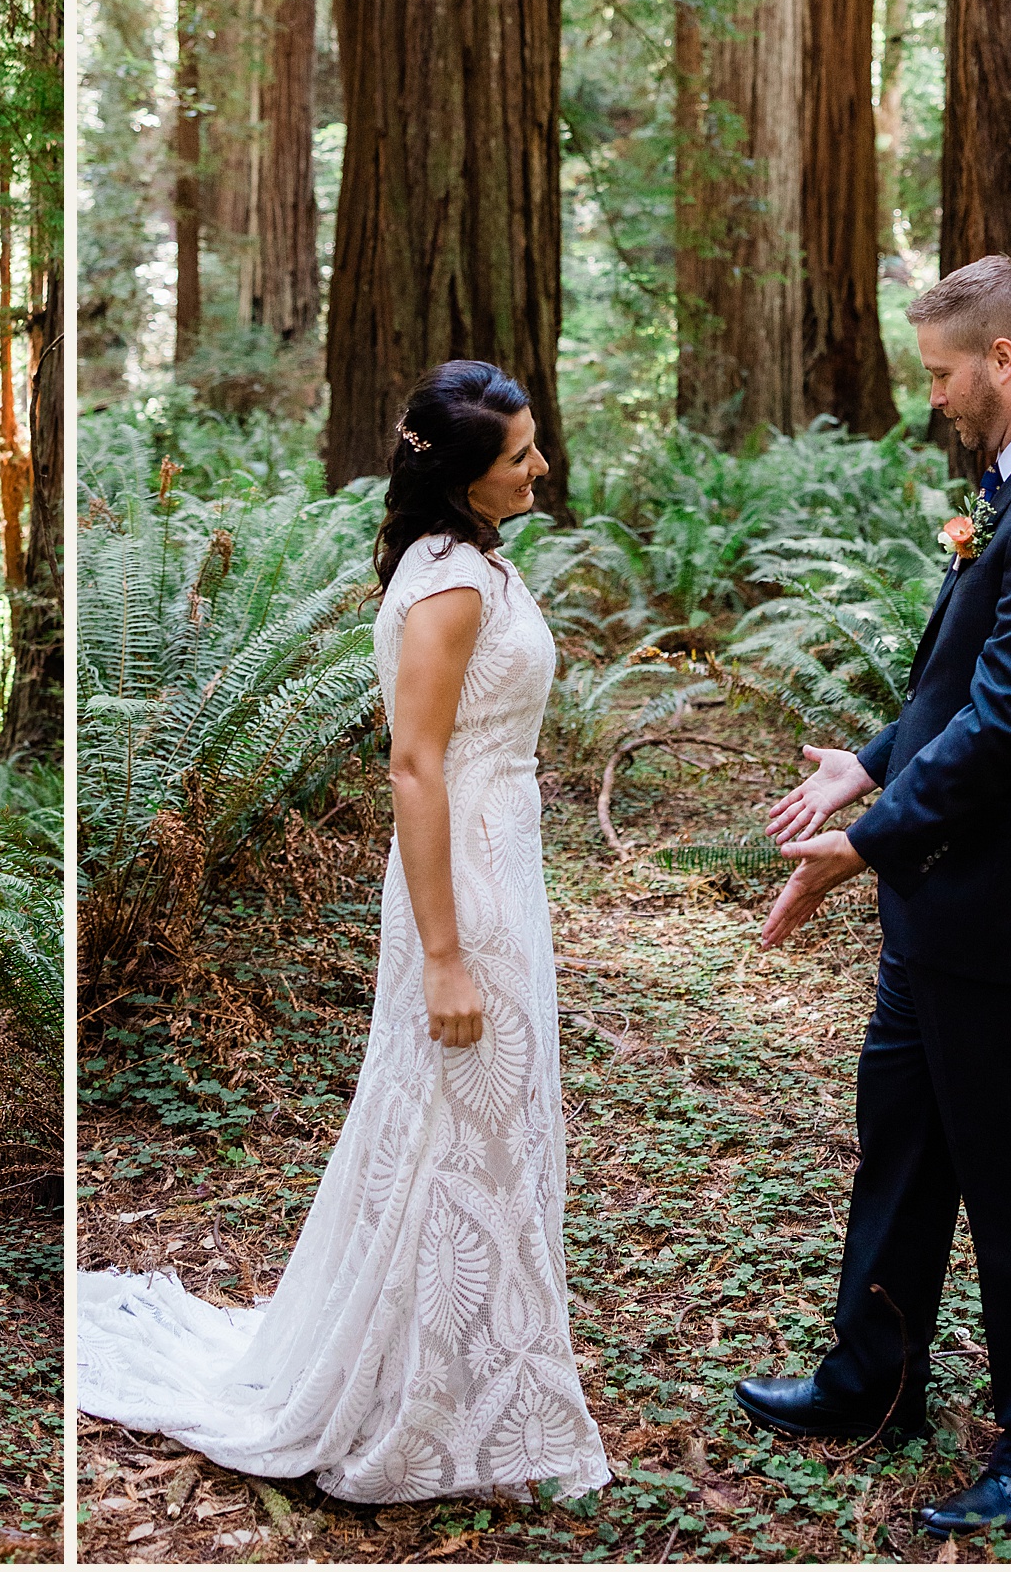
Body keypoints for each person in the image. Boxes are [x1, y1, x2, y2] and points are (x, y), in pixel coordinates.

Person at [77, 361, 611, 1503]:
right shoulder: (450, 586)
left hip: (497, 860)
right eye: (520, 453)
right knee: (455, 1120)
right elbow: (413, 767)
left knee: (475, 1127)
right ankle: (410, 1398)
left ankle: (463, 1370)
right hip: (459, 879)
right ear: (466, 476)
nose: (539, 465)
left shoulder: (466, 562)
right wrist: (448, 951)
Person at [742, 254, 1011, 1537]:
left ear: (1003, 360)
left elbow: (1008, 724)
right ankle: (872, 1383)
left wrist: (867, 842)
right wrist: (867, 763)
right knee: (906, 1145)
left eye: (938, 373)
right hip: (948, 906)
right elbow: (957, 684)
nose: (930, 397)